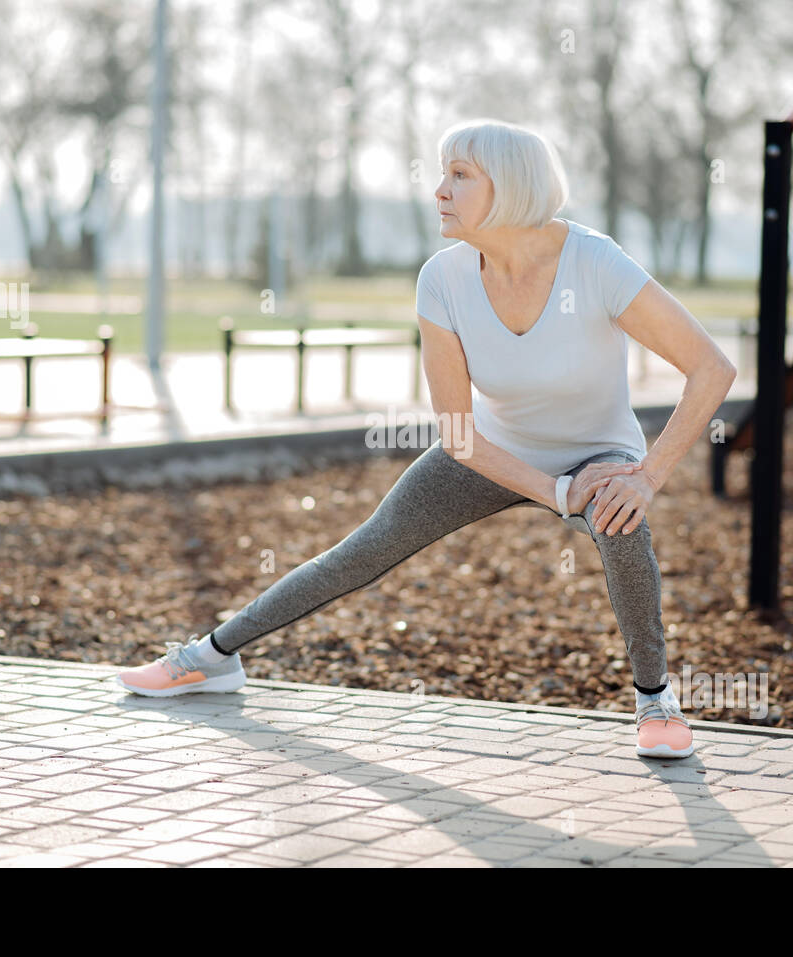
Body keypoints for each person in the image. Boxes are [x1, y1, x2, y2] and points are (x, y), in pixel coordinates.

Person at [118, 118, 736, 760]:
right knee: (362, 550)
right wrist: (557, 492)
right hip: (488, 451)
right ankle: (209, 658)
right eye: (442, 174)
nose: (439, 189)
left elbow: (711, 367)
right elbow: (460, 434)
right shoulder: (442, 279)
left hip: (598, 453)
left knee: (621, 518)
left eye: (460, 176)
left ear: (512, 187)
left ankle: (655, 700)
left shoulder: (595, 261)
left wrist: (645, 475)